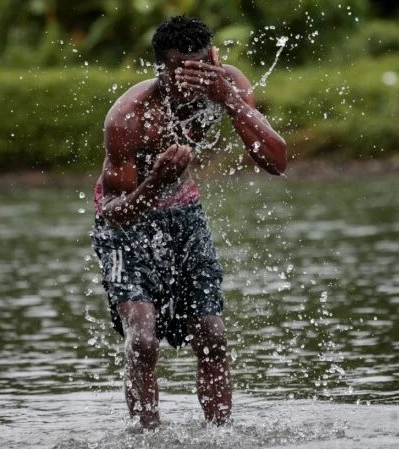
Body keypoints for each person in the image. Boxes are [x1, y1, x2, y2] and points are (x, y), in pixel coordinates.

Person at [90, 15, 287, 429]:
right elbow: (114, 214)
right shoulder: (129, 118)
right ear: (161, 69)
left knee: (212, 333)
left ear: (213, 59)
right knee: (143, 339)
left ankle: (221, 435)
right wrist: (155, 183)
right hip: (128, 220)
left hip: (184, 211)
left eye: (201, 67)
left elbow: (276, 161)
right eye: (181, 71)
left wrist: (228, 99)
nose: (192, 82)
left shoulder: (226, 84)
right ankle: (147, 436)